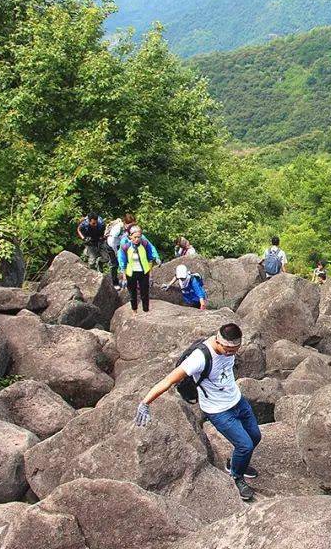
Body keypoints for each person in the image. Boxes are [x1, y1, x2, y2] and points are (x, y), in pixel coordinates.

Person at [134, 323, 260, 501]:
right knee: (245, 445)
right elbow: (168, 380)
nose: (232, 353)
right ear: (218, 341)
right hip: (218, 410)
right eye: (229, 350)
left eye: (236, 350)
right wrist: (145, 402)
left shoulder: (229, 348)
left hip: (237, 401)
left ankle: (236, 463)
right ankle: (236, 477)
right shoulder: (199, 358)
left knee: (255, 437)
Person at [118, 225, 160, 312]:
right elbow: (123, 262)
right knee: (132, 293)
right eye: (135, 237)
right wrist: (124, 276)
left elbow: (150, 258)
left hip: (143, 272)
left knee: (144, 292)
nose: (137, 239)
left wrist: (150, 272)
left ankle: (146, 310)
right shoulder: (125, 247)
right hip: (131, 272)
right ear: (130, 237)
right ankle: (134, 310)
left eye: (139, 237)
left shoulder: (145, 244)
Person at [104, 213, 135, 287]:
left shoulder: (128, 228)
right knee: (114, 264)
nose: (132, 227)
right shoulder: (118, 228)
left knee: (127, 260)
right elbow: (112, 242)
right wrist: (116, 252)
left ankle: (129, 279)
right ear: (125, 223)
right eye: (131, 225)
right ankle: (114, 282)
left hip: (120, 244)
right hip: (111, 245)